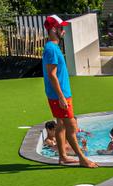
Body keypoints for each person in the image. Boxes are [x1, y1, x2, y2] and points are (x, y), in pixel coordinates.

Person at [41, 15, 96, 168]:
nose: (64, 31)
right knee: (71, 127)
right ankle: (82, 159)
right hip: (59, 95)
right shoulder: (51, 49)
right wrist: (61, 97)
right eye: (61, 28)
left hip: (59, 94)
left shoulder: (52, 47)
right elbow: (52, 75)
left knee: (61, 125)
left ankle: (63, 157)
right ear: (54, 29)